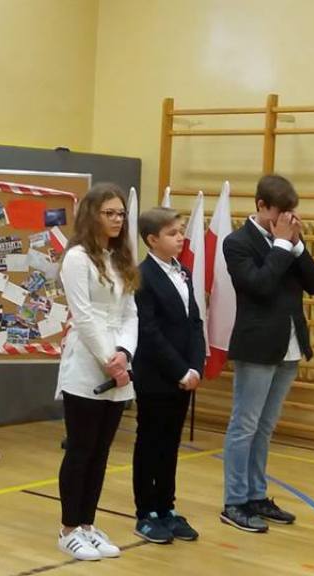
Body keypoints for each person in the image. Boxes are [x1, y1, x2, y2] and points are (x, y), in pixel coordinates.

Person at [219, 174, 314, 533]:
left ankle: (256, 494)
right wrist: (281, 245)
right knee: (244, 426)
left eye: (290, 213)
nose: (287, 220)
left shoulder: (289, 241)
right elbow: (261, 286)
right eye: (280, 213)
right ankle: (234, 501)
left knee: (264, 428)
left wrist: (296, 247)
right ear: (261, 206)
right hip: (257, 346)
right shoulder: (237, 242)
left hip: (290, 344)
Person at [55, 183, 139, 561]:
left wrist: (124, 353)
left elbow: (130, 313)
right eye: (110, 213)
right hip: (87, 366)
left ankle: (88, 524)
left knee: (101, 451)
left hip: (118, 363)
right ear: (93, 215)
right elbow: (85, 316)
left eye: (121, 213)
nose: (117, 219)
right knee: (81, 448)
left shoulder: (119, 258)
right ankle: (69, 528)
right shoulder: (77, 258)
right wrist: (109, 360)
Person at [130, 207, 203, 544]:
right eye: (172, 233)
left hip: (184, 375)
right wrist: (178, 369)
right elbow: (149, 331)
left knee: (171, 443)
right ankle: (145, 512)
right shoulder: (142, 276)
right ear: (152, 240)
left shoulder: (182, 271)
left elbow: (194, 322)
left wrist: (195, 366)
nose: (180, 238)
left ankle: (166, 507)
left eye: (181, 231)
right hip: (156, 375)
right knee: (150, 443)